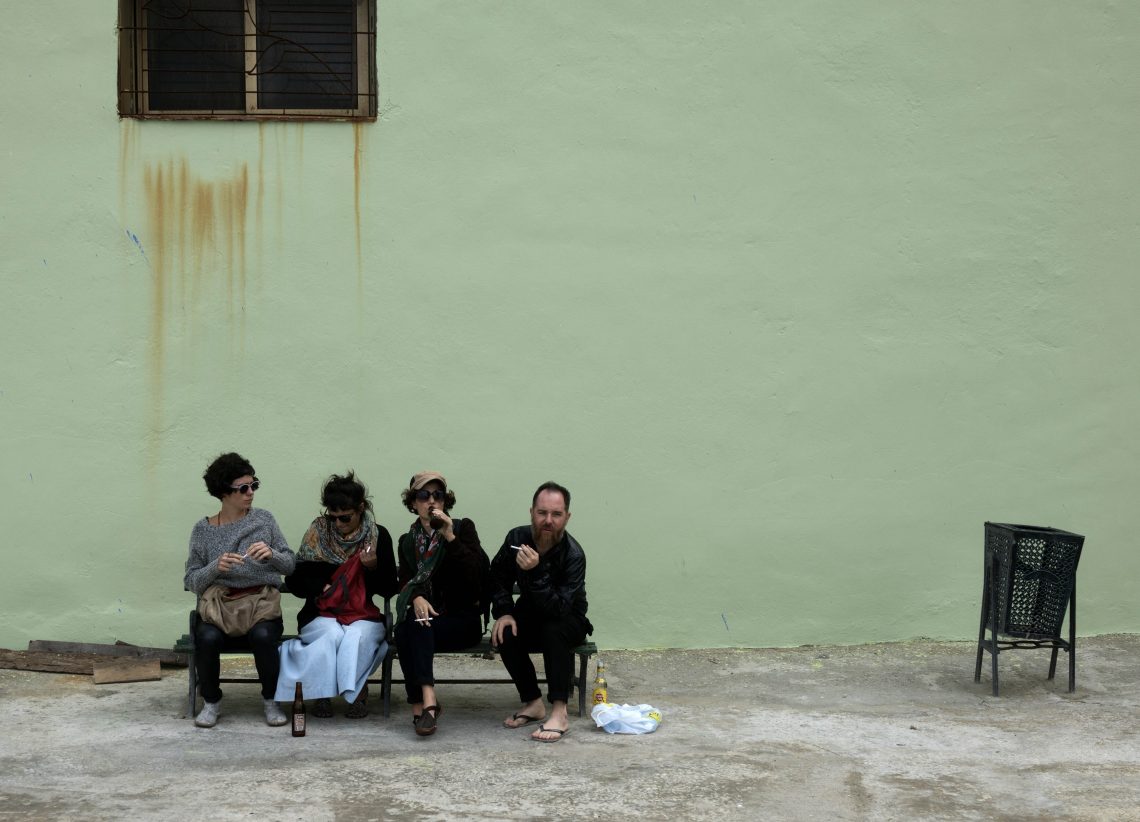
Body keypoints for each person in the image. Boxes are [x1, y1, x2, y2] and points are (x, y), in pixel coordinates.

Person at [184, 452, 296, 728]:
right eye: (243, 488)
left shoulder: (264, 520)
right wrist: (215, 567)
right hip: (220, 608)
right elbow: (191, 581)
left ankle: (271, 700)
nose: (250, 492)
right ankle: (211, 702)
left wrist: (272, 554)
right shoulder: (202, 530)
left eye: (254, 485)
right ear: (224, 492)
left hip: (261, 604)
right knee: (207, 638)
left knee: (263, 636)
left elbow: (290, 565)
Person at [275, 472, 397, 718]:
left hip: (362, 613)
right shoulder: (318, 532)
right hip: (320, 612)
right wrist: (319, 587)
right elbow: (294, 580)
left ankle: (355, 694)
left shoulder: (378, 536)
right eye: (333, 517)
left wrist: (372, 567)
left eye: (345, 517)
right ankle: (324, 694)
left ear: (361, 509)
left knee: (356, 636)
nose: (338, 524)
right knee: (332, 635)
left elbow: (388, 588)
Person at [491, 481, 592, 743]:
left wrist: (536, 572)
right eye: (542, 513)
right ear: (531, 512)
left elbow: (559, 609)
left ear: (567, 517)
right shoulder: (516, 539)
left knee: (553, 629)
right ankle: (533, 703)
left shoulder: (574, 555)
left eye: (556, 514)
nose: (548, 520)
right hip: (532, 612)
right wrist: (504, 611)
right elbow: (497, 576)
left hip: (568, 618)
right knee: (505, 631)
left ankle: (559, 712)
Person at [393, 472, 489, 736]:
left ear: (445, 501)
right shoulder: (407, 542)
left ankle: (426, 704)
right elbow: (405, 582)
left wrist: (449, 536)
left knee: (414, 625)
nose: (432, 501)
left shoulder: (462, 528)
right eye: (424, 495)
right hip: (427, 624)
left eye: (438, 495)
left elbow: (476, 577)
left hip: (463, 621)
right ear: (413, 503)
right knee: (405, 628)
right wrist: (416, 596)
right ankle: (424, 702)